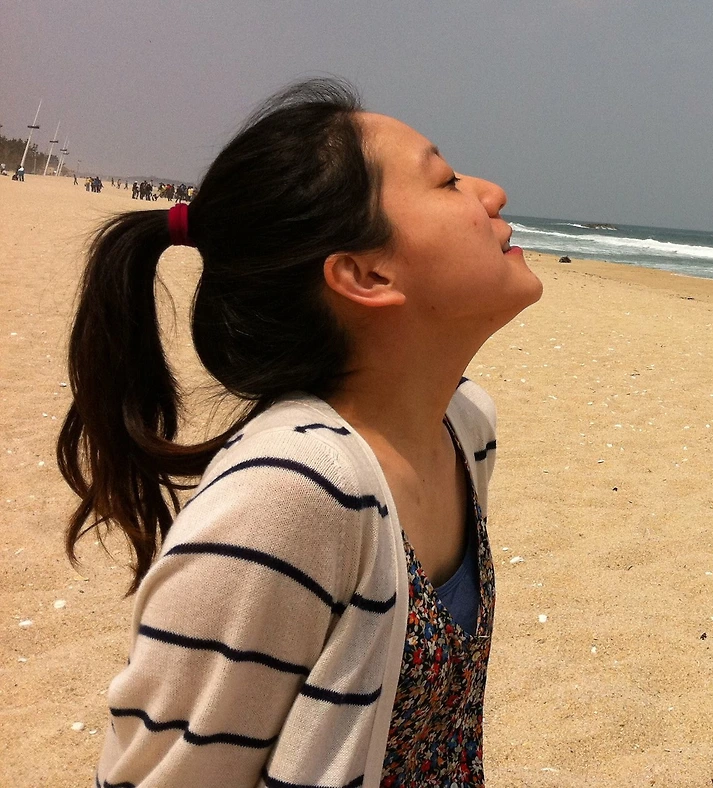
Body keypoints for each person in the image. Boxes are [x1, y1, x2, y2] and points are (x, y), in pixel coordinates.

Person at [57, 79, 542, 787]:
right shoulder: (288, 496)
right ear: (364, 274)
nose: (492, 192)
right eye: (446, 182)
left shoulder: (463, 428)